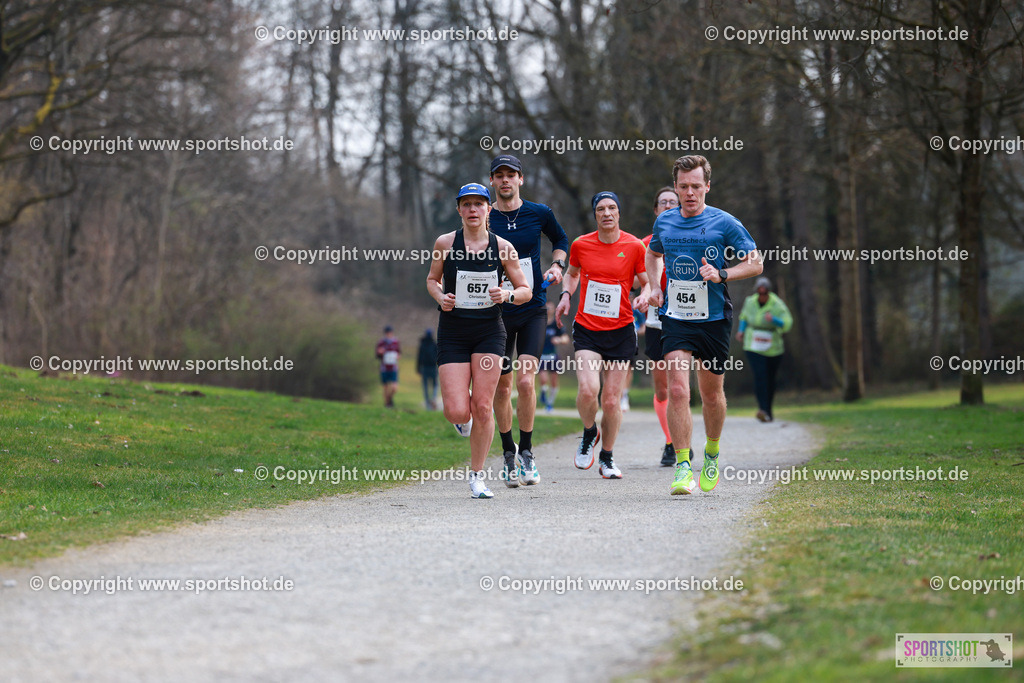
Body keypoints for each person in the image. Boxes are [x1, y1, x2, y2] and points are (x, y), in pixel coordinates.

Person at [646, 155, 763, 495]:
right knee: (679, 390)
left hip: (713, 320)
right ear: (677, 187)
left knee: (711, 395)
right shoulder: (664, 222)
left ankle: (711, 451)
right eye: (683, 186)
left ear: (707, 186)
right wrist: (654, 286)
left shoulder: (724, 223)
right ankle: (683, 466)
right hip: (676, 318)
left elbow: (755, 263)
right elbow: (652, 254)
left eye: (696, 186)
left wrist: (722, 273)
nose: (689, 193)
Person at [426, 182, 532, 498]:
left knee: (483, 405)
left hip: (488, 332)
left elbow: (526, 290)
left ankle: (477, 477)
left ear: (488, 209)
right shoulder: (445, 243)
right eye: (467, 204)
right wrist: (440, 296)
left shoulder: (503, 247)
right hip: (454, 331)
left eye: (479, 204)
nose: (473, 210)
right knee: (458, 411)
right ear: (459, 209)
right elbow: (432, 279)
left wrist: (509, 294)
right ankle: (464, 419)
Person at [487, 154, 569, 488]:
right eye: (499, 175)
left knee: (525, 382)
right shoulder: (484, 215)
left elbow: (561, 241)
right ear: (492, 181)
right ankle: (508, 454)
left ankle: (528, 453)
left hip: (533, 307)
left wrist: (557, 266)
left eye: (511, 175)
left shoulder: (539, 213)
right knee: (502, 385)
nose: (505, 180)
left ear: (521, 179)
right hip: (497, 312)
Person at [555, 191, 649, 480]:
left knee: (611, 400)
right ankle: (588, 433)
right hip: (587, 329)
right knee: (586, 390)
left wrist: (644, 295)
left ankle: (607, 457)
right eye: (600, 209)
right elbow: (571, 274)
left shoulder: (634, 246)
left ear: (619, 213)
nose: (606, 213)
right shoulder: (581, 245)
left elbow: (646, 281)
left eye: (611, 208)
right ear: (595, 215)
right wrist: (566, 295)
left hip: (621, 330)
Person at [641, 186, 686, 466]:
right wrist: (645, 293)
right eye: (663, 203)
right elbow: (634, 279)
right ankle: (671, 440)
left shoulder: (693, 236)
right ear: (656, 210)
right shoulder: (645, 243)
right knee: (662, 389)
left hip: (686, 316)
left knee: (681, 385)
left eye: (674, 201)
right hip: (657, 320)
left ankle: (680, 442)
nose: (669, 206)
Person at [737, 276, 793, 422]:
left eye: (765, 293)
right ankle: (762, 409)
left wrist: (774, 320)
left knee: (770, 379)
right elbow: (743, 317)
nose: (762, 296)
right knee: (760, 376)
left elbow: (787, 323)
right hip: (753, 344)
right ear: (756, 291)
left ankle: (768, 410)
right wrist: (741, 330)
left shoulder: (777, 304)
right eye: (760, 293)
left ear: (768, 292)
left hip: (773, 347)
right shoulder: (750, 302)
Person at [538, 301, 569, 413]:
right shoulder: (539, 322)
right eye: (546, 308)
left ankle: (550, 403)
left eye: (550, 308)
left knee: (554, 381)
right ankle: (542, 392)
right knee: (543, 378)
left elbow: (566, 339)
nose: (548, 310)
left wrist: (559, 339)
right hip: (541, 355)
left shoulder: (557, 323)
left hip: (553, 355)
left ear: (554, 309)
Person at [375, 326, 401, 408]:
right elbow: (377, 355)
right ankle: (387, 404)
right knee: (385, 387)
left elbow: (399, 353)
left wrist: (397, 356)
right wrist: (379, 352)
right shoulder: (381, 342)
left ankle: (389, 399)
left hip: (393, 367)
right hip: (384, 368)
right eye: (388, 333)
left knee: (394, 387)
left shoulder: (396, 342)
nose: (389, 334)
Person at [416, 328, 439, 410]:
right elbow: (438, 356)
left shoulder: (422, 344)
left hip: (424, 367)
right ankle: (433, 397)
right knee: (435, 385)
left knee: (425, 386)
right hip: (433, 367)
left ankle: (428, 405)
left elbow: (419, 357)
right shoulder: (434, 344)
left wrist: (418, 368)